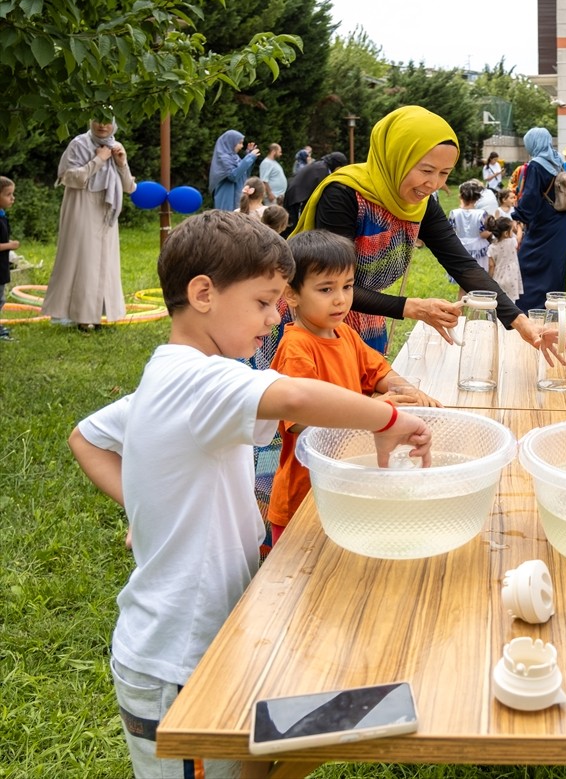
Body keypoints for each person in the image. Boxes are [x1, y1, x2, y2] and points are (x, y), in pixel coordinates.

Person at [67, 210, 431, 779]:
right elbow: (290, 398)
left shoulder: (175, 376)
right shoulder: (198, 379)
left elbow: (86, 437)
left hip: (220, 637)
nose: (276, 314)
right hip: (176, 665)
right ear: (204, 293)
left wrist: (146, 505)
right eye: (263, 302)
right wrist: (388, 418)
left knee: (261, 756)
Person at [286, 106, 540, 356]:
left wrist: (519, 321)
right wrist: (414, 307)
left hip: (368, 321)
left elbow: (463, 265)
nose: (434, 184)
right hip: (313, 326)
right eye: (426, 170)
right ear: (396, 157)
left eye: (445, 173)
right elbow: (332, 284)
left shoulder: (419, 204)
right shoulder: (344, 195)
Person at [267, 229, 436, 545]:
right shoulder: (296, 349)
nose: (341, 299)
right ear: (291, 294)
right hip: (304, 498)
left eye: (347, 286)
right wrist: (376, 411)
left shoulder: (344, 334)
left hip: (343, 486)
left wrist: (406, 390)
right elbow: (304, 424)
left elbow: (379, 371)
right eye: (326, 289)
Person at [41, 117, 136, 331]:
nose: (103, 126)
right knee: (83, 261)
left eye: (107, 122)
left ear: (114, 124)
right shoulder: (79, 144)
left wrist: (121, 163)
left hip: (106, 211)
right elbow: (69, 177)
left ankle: (97, 315)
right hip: (81, 208)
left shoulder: (116, 146)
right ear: (90, 122)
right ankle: (82, 317)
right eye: (98, 121)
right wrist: (98, 161)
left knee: (104, 262)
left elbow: (129, 187)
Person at [512, 127, 566, 312]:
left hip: (545, 224)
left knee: (527, 261)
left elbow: (531, 196)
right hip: (563, 222)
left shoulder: (536, 165)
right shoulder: (557, 161)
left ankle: (529, 308)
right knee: (555, 266)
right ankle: (553, 307)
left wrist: (516, 216)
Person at [282, 151, 348, 236]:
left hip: (296, 195)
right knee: (295, 227)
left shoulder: (321, 166)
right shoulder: (322, 170)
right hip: (297, 198)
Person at [449, 179, 491, 279]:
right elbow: (483, 234)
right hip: (478, 249)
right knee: (478, 279)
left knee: (464, 282)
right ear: (477, 198)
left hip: (461, 248)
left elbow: (451, 231)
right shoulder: (481, 214)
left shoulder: (454, 213)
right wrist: (491, 231)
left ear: (461, 196)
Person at [209, 129, 259, 211]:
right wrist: (249, 157)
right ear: (230, 142)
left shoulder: (234, 157)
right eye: (239, 143)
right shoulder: (222, 158)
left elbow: (244, 174)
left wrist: (249, 155)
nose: (242, 146)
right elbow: (233, 176)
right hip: (227, 201)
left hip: (236, 198)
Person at [485, 214, 522, 302]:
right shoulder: (512, 242)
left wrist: (490, 279)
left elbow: (491, 266)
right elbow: (519, 238)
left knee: (499, 302)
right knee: (511, 303)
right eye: (512, 230)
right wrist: (519, 227)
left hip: (498, 278)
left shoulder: (492, 247)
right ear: (506, 233)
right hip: (512, 278)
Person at [0, 176, 17, 341]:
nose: (12, 198)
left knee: (1, 298)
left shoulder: (2, 215)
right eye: (8, 194)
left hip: (2, 267)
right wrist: (9, 246)